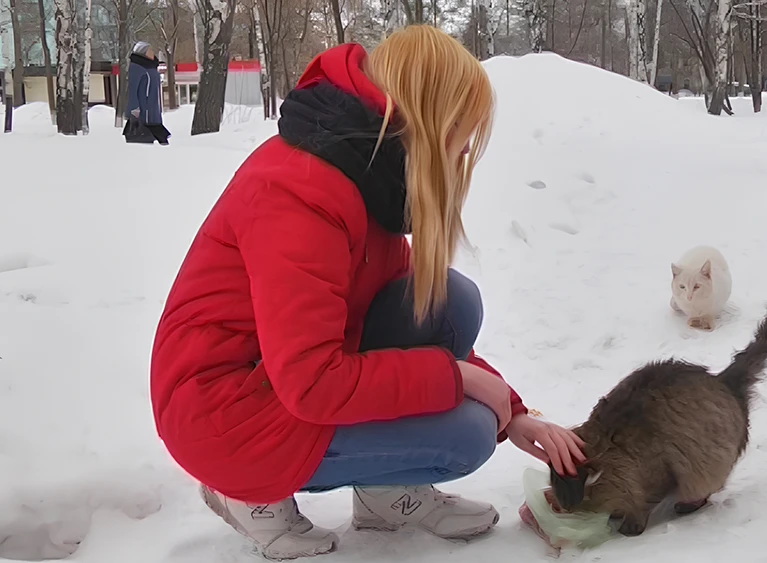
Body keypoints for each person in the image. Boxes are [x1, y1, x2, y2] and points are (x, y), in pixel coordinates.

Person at [149, 25, 586, 560]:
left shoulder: (366, 172)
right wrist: (458, 381)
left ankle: (384, 494)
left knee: (449, 302)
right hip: (225, 415)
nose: (467, 148)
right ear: (428, 121)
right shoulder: (301, 192)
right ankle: (248, 494)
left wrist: (513, 409)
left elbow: (410, 319)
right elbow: (312, 383)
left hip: (274, 380)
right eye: (462, 131)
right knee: (466, 435)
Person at [124, 41, 170, 145]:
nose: (152, 52)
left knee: (157, 135)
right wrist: (134, 109)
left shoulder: (151, 67)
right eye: (150, 50)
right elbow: (132, 89)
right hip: (144, 111)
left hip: (153, 107)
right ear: (143, 52)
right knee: (147, 135)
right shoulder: (137, 67)